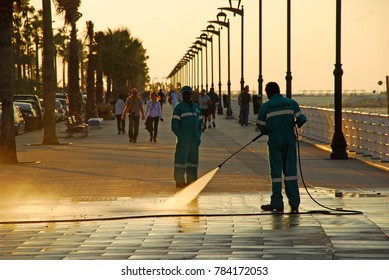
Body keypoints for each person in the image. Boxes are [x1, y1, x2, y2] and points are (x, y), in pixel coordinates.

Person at [256, 82, 307, 213]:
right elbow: (301, 119)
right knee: (290, 172)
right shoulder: (291, 103)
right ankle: (294, 203)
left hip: (274, 140)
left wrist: (269, 130)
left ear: (268, 93)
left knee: (276, 172)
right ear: (279, 90)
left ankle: (277, 202)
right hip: (289, 140)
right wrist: (294, 123)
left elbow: (260, 125)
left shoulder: (266, 106)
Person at [171, 85, 202, 188]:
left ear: (191, 94)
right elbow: (174, 125)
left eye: (188, 94)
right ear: (182, 95)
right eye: (185, 94)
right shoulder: (178, 108)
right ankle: (179, 181)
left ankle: (192, 180)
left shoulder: (196, 107)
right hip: (183, 140)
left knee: (193, 161)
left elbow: (200, 123)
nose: (187, 96)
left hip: (194, 140)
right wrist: (181, 136)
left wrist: (198, 135)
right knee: (181, 161)